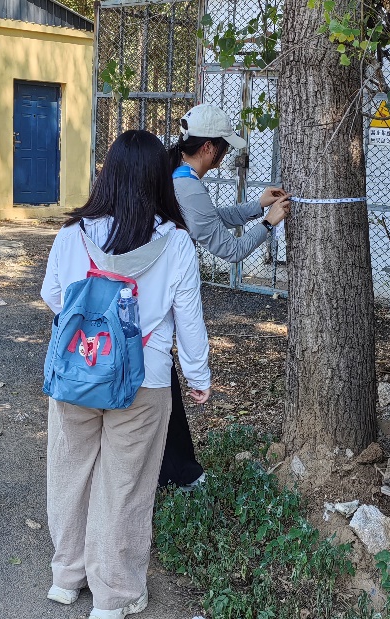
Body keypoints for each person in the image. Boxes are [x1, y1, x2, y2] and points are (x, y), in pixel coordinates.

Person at [40, 130, 211, 619]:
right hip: (144, 379)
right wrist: (197, 377)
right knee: (126, 485)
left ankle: (66, 577)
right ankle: (114, 595)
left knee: (69, 472)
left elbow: (54, 296)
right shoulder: (175, 243)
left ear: (108, 173)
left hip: (77, 372)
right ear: (161, 179)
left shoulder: (72, 234)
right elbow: (189, 320)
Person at [158, 103, 291, 490]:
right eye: (226, 147)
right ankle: (181, 474)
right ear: (210, 149)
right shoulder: (186, 184)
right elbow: (227, 249)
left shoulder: (177, 174)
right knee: (162, 384)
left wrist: (256, 206)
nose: (228, 154)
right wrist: (268, 224)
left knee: (162, 387)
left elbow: (210, 217)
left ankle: (176, 471)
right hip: (164, 293)